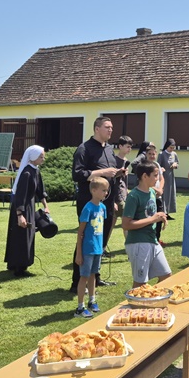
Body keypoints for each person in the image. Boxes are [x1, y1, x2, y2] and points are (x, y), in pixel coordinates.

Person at [72, 117, 122, 290]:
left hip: (106, 203)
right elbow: (77, 174)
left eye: (111, 127)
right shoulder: (84, 149)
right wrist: (102, 172)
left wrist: (117, 173)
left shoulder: (109, 148)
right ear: (96, 129)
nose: (110, 130)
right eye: (107, 127)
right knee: (86, 239)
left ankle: (95, 277)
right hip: (89, 202)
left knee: (100, 239)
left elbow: (108, 176)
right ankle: (77, 282)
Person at [123, 161, 171, 287]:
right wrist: (153, 219)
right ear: (144, 176)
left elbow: (150, 215)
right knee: (141, 283)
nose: (157, 179)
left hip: (152, 240)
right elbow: (126, 224)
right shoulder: (134, 196)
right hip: (138, 243)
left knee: (166, 276)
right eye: (155, 175)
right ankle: (138, 300)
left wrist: (160, 216)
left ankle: (151, 297)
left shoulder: (152, 192)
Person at [5, 145, 48, 277]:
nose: (43, 159)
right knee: (21, 236)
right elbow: (20, 195)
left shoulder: (36, 171)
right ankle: (19, 268)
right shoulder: (27, 173)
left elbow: (40, 190)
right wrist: (20, 214)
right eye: (41, 157)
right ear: (33, 157)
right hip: (22, 207)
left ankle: (18, 264)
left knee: (27, 235)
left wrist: (46, 206)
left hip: (29, 207)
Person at [74, 177, 109, 318]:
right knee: (84, 276)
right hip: (87, 249)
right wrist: (79, 253)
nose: (106, 193)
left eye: (107, 190)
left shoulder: (103, 208)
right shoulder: (88, 208)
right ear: (93, 191)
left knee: (93, 274)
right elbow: (80, 232)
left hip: (97, 249)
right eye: (103, 190)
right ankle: (80, 307)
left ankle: (92, 300)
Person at [144, 144, 167, 245]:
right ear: (146, 154)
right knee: (149, 217)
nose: (152, 156)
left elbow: (162, 179)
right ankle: (148, 239)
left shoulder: (157, 164)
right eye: (149, 154)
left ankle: (157, 239)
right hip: (149, 196)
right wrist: (155, 190)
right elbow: (144, 182)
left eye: (153, 154)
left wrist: (160, 189)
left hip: (158, 196)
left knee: (160, 218)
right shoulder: (144, 166)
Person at [158, 139, 179, 221]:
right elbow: (158, 165)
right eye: (170, 147)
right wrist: (161, 169)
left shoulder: (174, 154)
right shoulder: (162, 154)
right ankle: (163, 211)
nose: (172, 149)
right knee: (165, 194)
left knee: (170, 193)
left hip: (171, 176)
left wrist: (175, 165)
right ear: (167, 146)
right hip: (164, 176)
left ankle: (168, 211)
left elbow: (177, 163)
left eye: (173, 148)